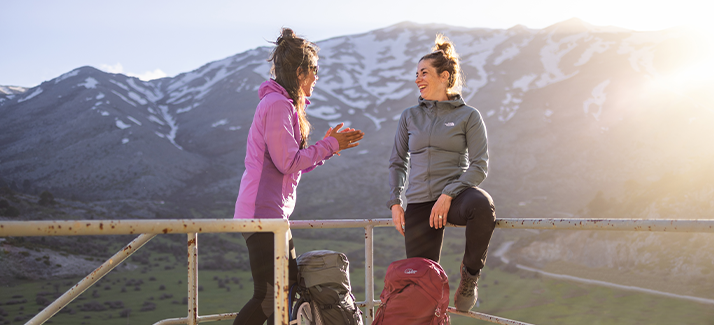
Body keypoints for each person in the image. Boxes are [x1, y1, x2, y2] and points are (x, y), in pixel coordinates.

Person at [233, 28, 364, 325]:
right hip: (261, 214)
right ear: (299, 71)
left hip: (271, 215)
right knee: (268, 297)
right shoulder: (278, 105)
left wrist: (328, 149)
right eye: (315, 69)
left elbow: (292, 164)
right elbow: (287, 162)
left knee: (285, 291)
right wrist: (330, 145)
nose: (317, 76)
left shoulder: (283, 105)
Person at [387, 34, 496, 312]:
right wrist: (396, 202)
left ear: (444, 76)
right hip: (421, 202)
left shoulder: (468, 115)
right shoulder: (410, 116)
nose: (417, 79)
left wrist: (449, 194)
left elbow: (480, 165)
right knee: (421, 286)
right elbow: (398, 161)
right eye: (416, 74)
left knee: (483, 206)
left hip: (457, 197)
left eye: (424, 73)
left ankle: (469, 278)